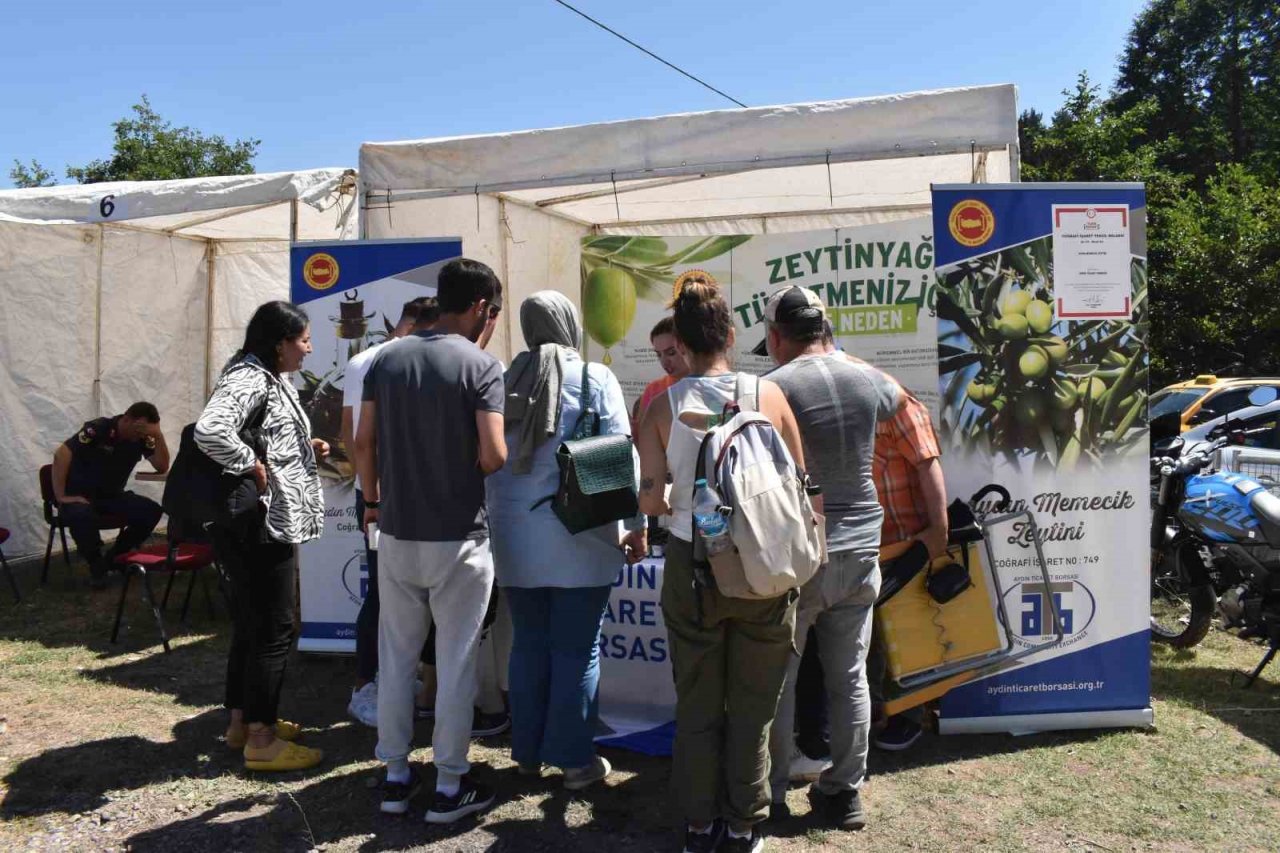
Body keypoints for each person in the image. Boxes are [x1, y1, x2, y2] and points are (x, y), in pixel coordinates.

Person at [636, 280, 808, 853]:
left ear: (680, 344)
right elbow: (801, 489)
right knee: (755, 705)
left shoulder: (661, 406)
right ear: (731, 336)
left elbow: (651, 501)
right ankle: (743, 824)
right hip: (764, 560)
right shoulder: (770, 396)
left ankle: (698, 823)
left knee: (699, 703)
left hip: (692, 564)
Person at [355, 258, 506, 823]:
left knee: (395, 658)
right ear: (480, 308)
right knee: (456, 656)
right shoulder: (482, 365)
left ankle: (394, 776)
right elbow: (494, 455)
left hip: (395, 529)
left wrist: (371, 501)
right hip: (460, 536)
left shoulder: (387, 358)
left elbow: (363, 440)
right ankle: (448, 783)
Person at [487, 291, 647, 791]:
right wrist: (634, 526)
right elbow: (621, 457)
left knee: (529, 644)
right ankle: (576, 761)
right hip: (580, 532)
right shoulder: (593, 377)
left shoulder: (502, 377)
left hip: (513, 536)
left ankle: (529, 756)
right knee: (577, 650)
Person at [762, 286, 901, 832]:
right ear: (826, 328)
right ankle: (844, 793)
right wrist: (839, 355)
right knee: (850, 677)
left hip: (803, 549)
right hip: (862, 544)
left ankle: (771, 792)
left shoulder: (771, 387)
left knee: (782, 676)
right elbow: (894, 396)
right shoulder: (866, 378)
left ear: (777, 335)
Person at [195, 300, 328, 772]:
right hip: (260, 524)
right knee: (273, 629)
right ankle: (261, 738)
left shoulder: (264, 376)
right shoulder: (250, 376)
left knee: (253, 626)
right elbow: (211, 431)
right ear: (280, 343)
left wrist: (297, 447)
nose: (309, 349)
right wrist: (249, 464)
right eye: (304, 340)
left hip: (258, 522)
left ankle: (241, 723)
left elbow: (259, 431)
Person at [343, 296, 439, 728]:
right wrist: (372, 497)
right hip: (387, 497)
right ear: (420, 324)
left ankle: (399, 680)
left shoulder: (373, 358)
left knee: (403, 592)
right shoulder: (371, 361)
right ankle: (366, 685)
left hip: (389, 494)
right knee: (384, 592)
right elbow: (356, 438)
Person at [867, 386, 948, 751]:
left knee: (909, 631)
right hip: (868, 541)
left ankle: (908, 715)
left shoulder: (897, 403)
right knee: (875, 640)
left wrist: (938, 530)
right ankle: (882, 711)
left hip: (905, 537)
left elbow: (927, 462)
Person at [52, 402, 169, 588]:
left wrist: (158, 435)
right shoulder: (99, 428)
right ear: (127, 419)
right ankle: (97, 566)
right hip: (80, 495)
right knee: (80, 515)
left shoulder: (142, 437)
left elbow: (162, 466)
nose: (141, 434)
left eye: (145, 431)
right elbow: (61, 455)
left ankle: (116, 558)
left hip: (111, 496)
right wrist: (61, 496)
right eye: (139, 429)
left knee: (152, 511)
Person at [634, 316, 691, 426]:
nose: (664, 361)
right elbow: (641, 435)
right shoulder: (653, 390)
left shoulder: (705, 385)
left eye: (671, 353)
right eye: (659, 354)